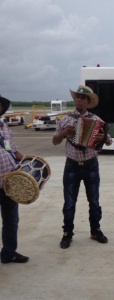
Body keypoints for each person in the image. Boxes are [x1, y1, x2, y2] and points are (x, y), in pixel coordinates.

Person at [52, 85, 112, 249]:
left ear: (87, 101)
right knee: (69, 203)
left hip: (91, 165)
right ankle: (67, 233)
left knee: (94, 201)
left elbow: (108, 141)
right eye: (77, 97)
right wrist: (64, 133)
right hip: (72, 165)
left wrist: (104, 137)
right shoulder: (65, 120)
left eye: (82, 98)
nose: (79, 100)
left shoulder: (96, 120)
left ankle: (95, 230)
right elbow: (55, 141)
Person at [0, 96, 29, 263]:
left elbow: (14, 152)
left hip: (9, 184)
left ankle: (8, 252)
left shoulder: (4, 127)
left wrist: (29, 163)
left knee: (11, 221)